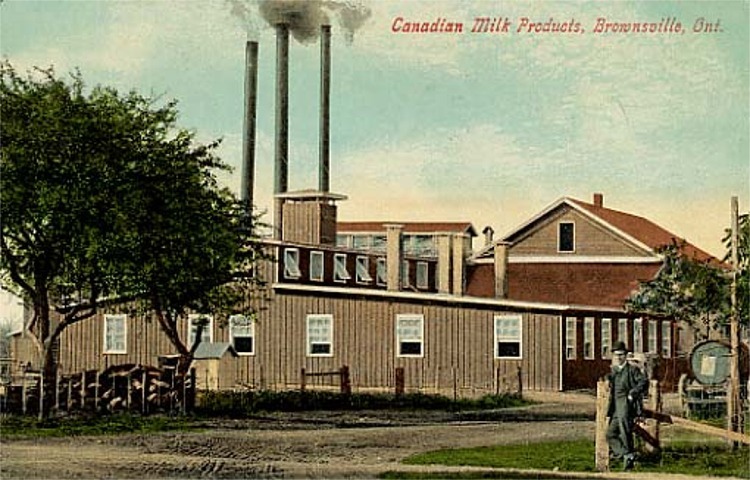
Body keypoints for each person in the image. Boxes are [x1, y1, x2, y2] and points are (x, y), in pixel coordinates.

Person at [606, 341, 648, 471]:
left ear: (626, 356)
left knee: (625, 432)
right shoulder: (614, 371)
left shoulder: (632, 369)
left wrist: (632, 394)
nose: (618, 357)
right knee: (610, 434)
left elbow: (644, 382)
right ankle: (627, 454)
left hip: (626, 404)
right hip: (615, 407)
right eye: (616, 355)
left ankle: (628, 461)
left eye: (621, 355)